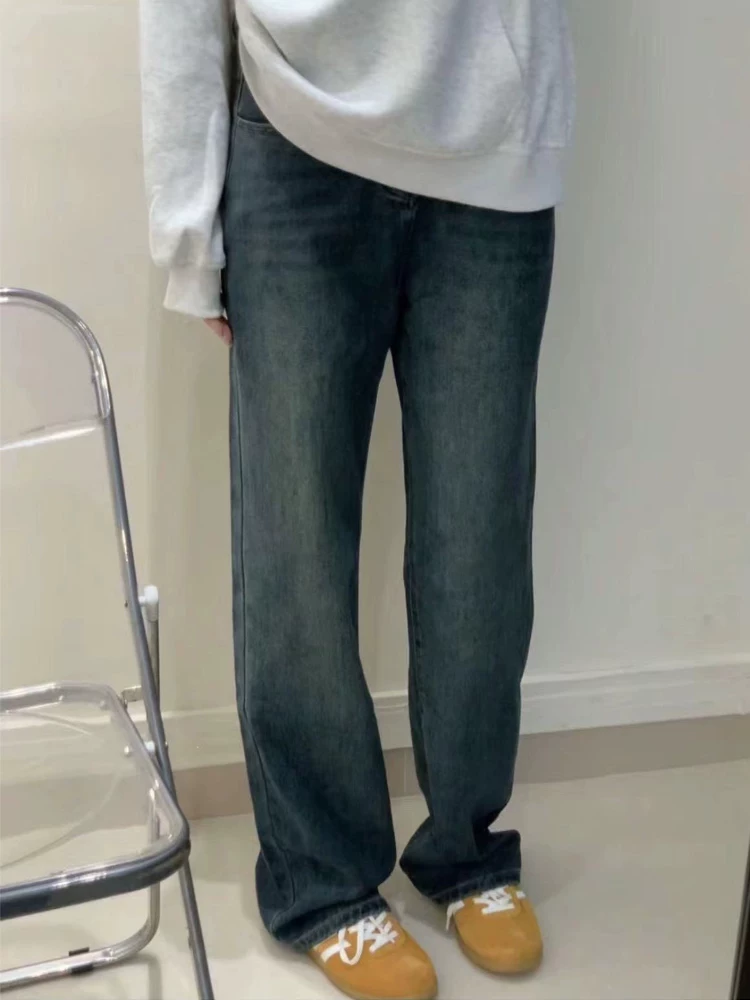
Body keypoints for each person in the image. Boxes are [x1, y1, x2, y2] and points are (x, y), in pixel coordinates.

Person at [140, 2, 574, 996]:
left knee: (479, 545)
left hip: (493, 141)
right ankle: (324, 879)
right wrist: (189, 227)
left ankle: (467, 849)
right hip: (294, 134)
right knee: (293, 543)